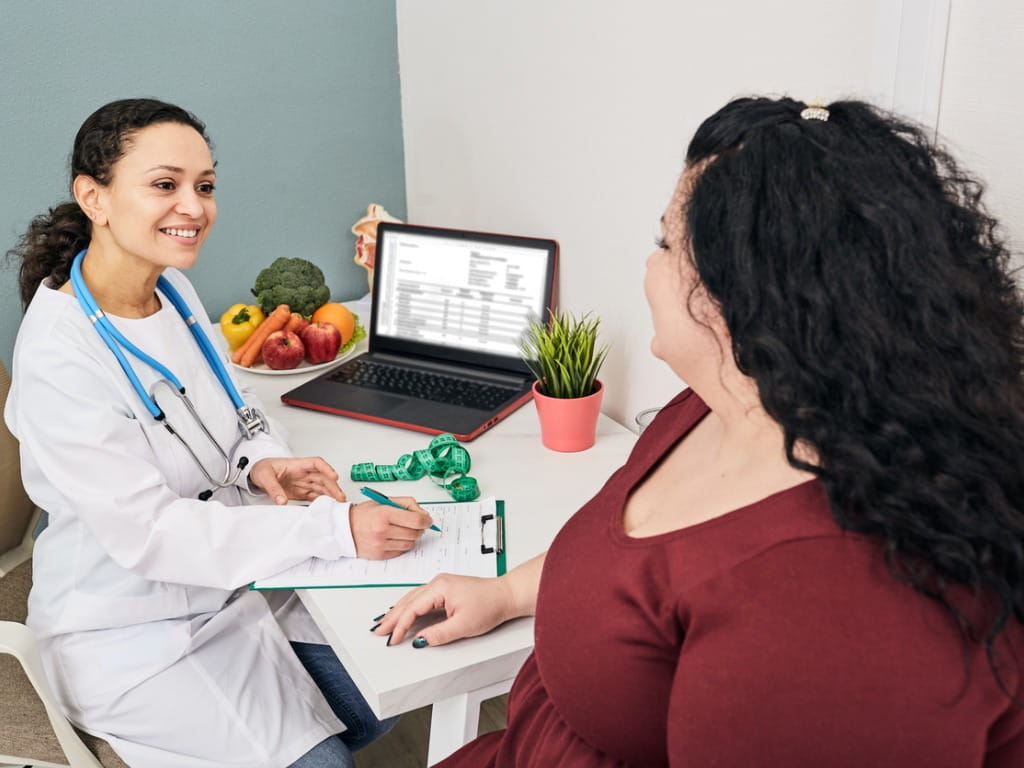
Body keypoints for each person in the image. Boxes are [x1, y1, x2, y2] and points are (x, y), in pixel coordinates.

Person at [375, 96, 1024, 766]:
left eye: (665, 242)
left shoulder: (823, 613)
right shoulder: (722, 405)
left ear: (738, 294)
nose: (650, 266)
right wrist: (507, 592)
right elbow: (636, 561)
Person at [4, 98, 438, 768]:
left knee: (403, 661)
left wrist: (261, 464)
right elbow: (153, 535)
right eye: (164, 184)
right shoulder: (59, 356)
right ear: (94, 196)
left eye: (204, 186)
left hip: (231, 586)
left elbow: (236, 411)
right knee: (326, 761)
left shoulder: (172, 290)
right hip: (131, 630)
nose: (194, 206)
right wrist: (336, 528)